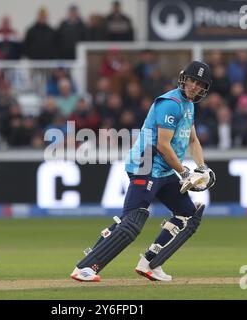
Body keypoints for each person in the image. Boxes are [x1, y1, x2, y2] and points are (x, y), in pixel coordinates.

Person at [70, 61, 216, 282]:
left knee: (187, 215)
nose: (194, 86)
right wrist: (186, 173)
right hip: (145, 165)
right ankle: (86, 267)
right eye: (192, 81)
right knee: (132, 219)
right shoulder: (171, 103)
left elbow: (193, 140)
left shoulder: (189, 105)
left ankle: (150, 263)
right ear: (184, 78)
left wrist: (202, 167)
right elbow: (163, 146)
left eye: (200, 84)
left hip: (163, 170)